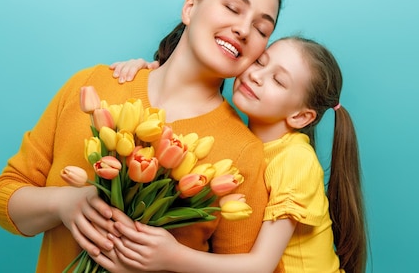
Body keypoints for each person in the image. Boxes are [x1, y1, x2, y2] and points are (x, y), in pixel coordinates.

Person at [0, 0, 283, 273]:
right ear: (190, 8)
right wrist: (63, 204)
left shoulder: (243, 152)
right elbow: (6, 196)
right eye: (232, 7)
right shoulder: (94, 85)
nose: (243, 29)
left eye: (261, 29)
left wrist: (166, 264)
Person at [104, 36, 368, 273]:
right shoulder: (242, 142)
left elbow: (260, 266)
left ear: (300, 116)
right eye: (259, 62)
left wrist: (171, 256)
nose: (256, 76)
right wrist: (153, 72)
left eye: (278, 80)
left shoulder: (296, 159)